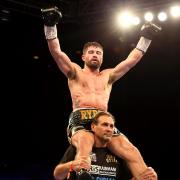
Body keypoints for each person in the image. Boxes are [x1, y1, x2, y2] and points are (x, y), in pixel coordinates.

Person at [41, 7, 161, 179]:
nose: (95, 55)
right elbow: (57, 53)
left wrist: (146, 37)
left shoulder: (108, 76)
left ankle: (144, 177)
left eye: (98, 53)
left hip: (104, 120)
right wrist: (50, 25)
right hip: (81, 119)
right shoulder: (75, 72)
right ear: (83, 57)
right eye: (91, 52)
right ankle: (83, 173)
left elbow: (131, 61)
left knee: (130, 150)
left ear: (102, 57)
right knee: (85, 142)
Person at [54, 111, 158, 180]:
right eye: (104, 125)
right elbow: (57, 174)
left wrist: (147, 176)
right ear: (93, 127)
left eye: (111, 126)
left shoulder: (119, 154)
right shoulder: (78, 147)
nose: (109, 129)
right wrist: (72, 164)